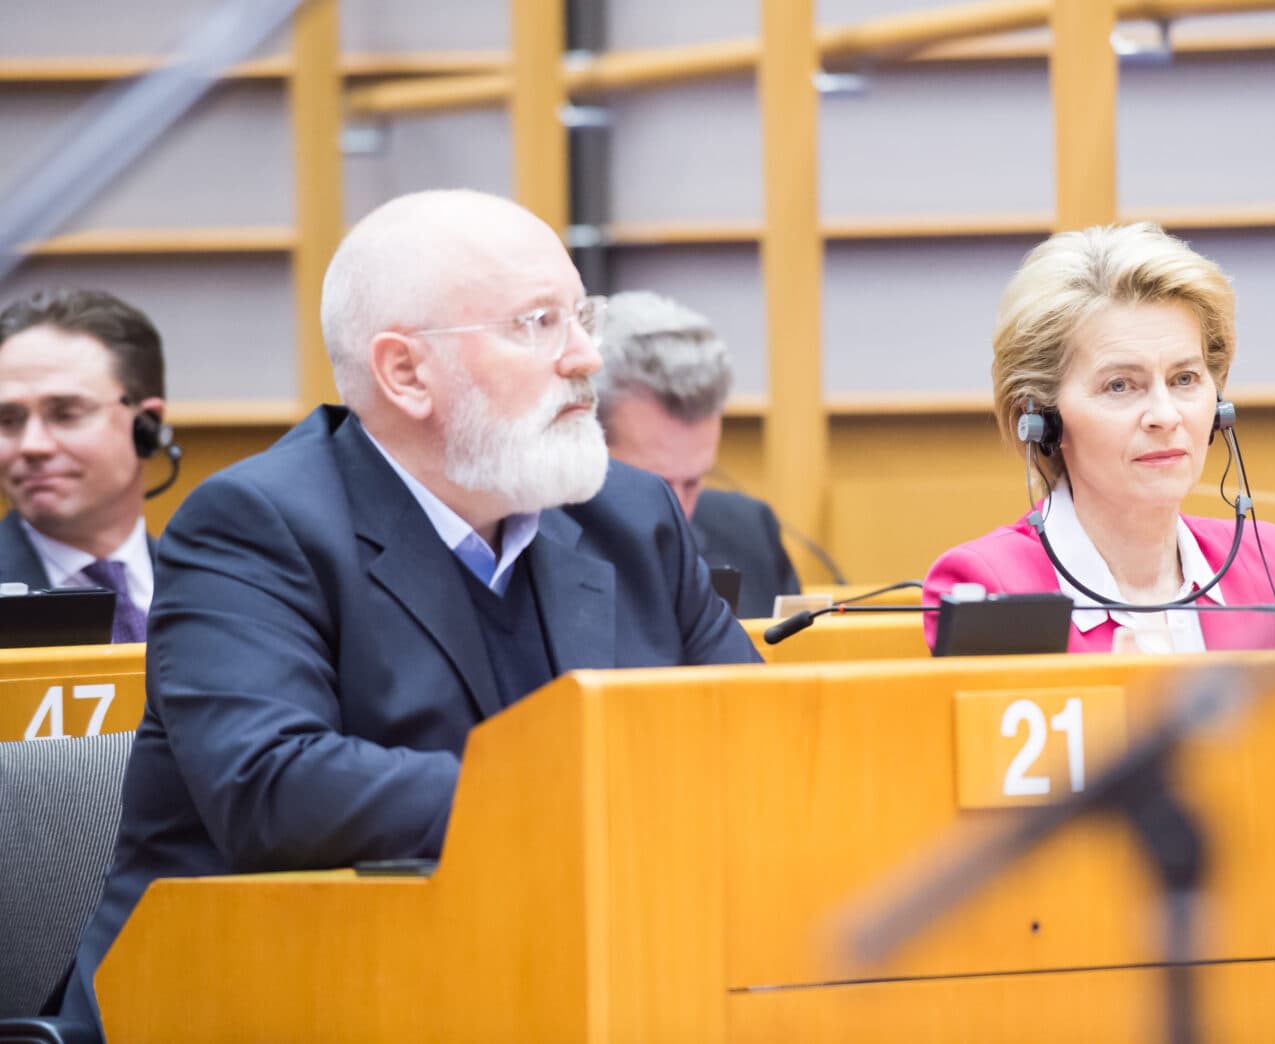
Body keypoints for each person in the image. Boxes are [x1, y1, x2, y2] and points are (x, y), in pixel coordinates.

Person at [63, 189, 762, 1023]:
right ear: (405, 372)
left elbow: (748, 741)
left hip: (558, 979)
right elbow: (274, 788)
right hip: (262, 989)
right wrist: (586, 793)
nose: (584, 357)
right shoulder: (258, 525)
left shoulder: (629, 514)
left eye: (583, 316)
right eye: (538, 323)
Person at [923, 222, 1275, 652]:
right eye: (1119, 385)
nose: (1164, 415)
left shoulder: (1268, 561)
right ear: (1043, 417)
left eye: (1185, 378)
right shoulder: (992, 584)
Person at [595, 290, 800, 618]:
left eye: (693, 482)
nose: (677, 510)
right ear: (587, 445)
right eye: (654, 485)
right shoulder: (532, 552)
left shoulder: (751, 532)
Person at [0, 288, 169, 642]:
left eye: (66, 414)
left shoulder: (221, 590)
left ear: (147, 426)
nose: (32, 445)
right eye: (8, 419)